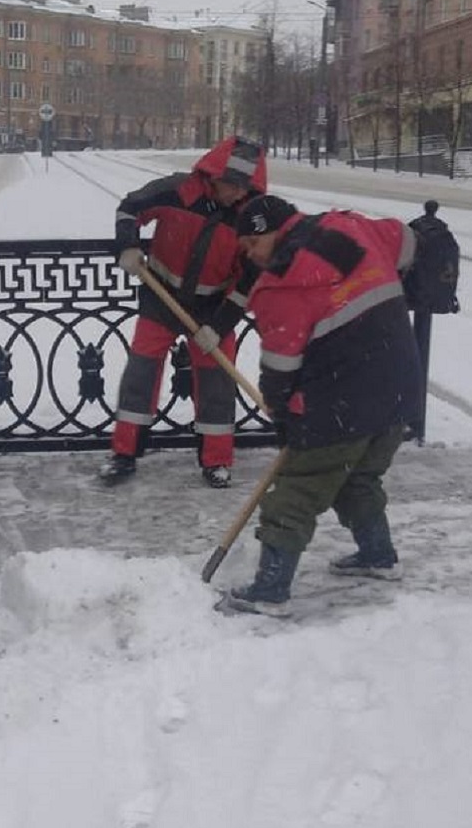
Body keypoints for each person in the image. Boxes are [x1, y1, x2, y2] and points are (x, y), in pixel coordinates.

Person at [223, 194, 422, 616]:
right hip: (400, 386)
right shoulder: (349, 225)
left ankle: (271, 589)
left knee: (298, 489)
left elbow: (280, 365)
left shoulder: (283, 281)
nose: (252, 257)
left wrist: (283, 414)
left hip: (341, 400)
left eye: (251, 246)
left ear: (268, 232)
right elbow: (407, 240)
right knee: (357, 478)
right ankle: (378, 555)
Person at [99, 135, 267, 489]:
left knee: (217, 381)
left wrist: (219, 326)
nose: (237, 194)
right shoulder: (178, 191)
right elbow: (130, 208)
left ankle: (217, 460)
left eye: (245, 188)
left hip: (213, 307)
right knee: (140, 372)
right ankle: (124, 453)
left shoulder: (249, 220)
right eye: (233, 185)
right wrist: (127, 247)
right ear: (213, 174)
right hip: (161, 296)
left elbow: (248, 280)